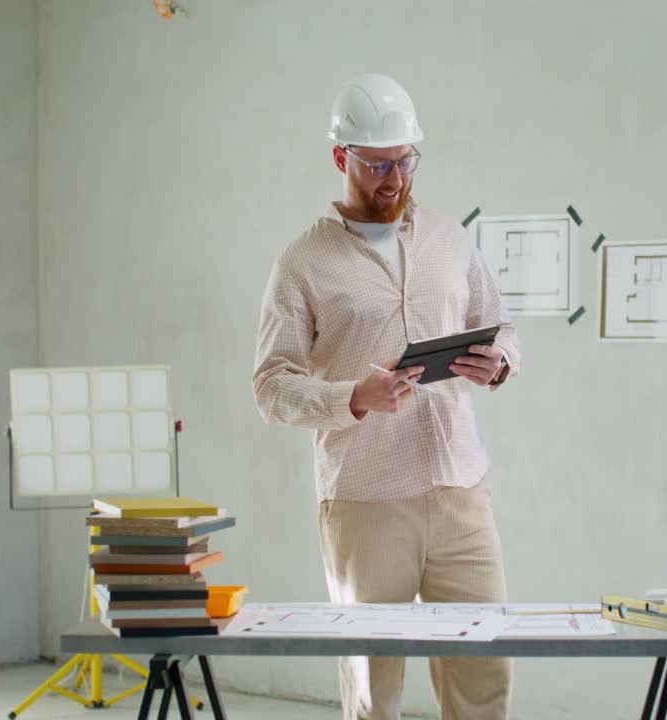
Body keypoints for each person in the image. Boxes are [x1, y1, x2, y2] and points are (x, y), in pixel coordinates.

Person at [251, 73, 521, 720]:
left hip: (461, 492)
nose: (394, 179)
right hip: (365, 501)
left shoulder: (450, 239)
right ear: (342, 158)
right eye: (376, 165)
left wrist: (501, 361)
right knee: (375, 687)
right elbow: (270, 385)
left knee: (484, 670)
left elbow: (502, 323)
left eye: (404, 161)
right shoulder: (302, 263)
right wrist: (354, 398)